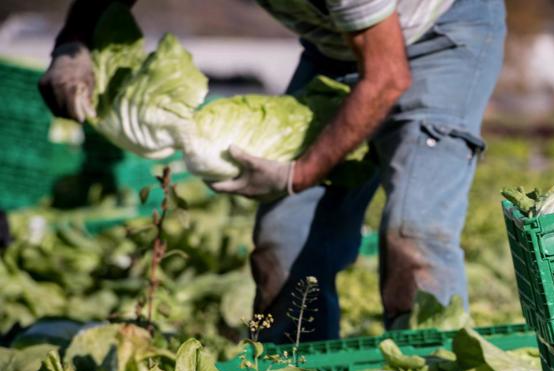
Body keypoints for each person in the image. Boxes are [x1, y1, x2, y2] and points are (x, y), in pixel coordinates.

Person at [39, 0, 506, 343]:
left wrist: (296, 174)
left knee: (414, 229)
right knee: (285, 236)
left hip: (443, 37)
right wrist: (74, 43)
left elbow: (387, 77)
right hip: (339, 50)